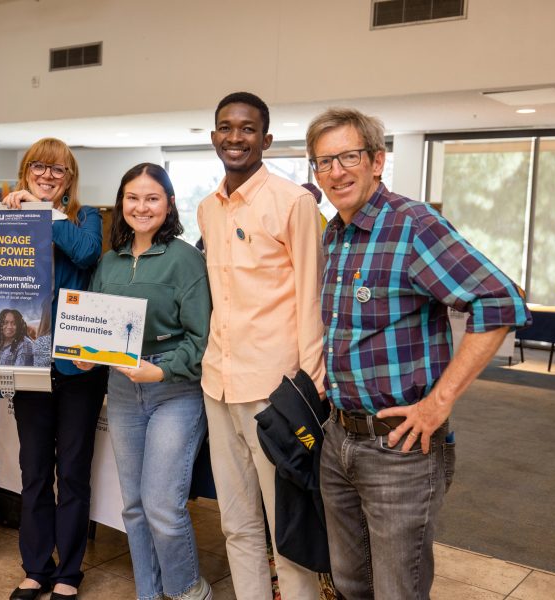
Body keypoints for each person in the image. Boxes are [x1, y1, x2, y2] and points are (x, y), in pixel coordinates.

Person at [305, 106, 532, 600]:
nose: (335, 172)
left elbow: (499, 301)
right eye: (323, 162)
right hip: (339, 438)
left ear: (377, 161)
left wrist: (439, 402)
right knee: (348, 583)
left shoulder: (412, 225)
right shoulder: (335, 233)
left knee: (398, 591)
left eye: (347, 156)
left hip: (400, 451)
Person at [0, 138, 106, 600]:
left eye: (58, 170)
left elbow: (86, 255)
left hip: (77, 367)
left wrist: (46, 213)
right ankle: (36, 567)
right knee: (34, 469)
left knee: (75, 473)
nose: (47, 175)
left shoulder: (88, 218)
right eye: (38, 167)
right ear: (24, 171)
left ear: (70, 178)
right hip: (26, 366)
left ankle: (70, 572)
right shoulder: (5, 219)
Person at [196, 91, 326, 600]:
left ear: (266, 139)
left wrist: (312, 391)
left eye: (247, 129)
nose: (235, 137)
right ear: (214, 138)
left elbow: (311, 299)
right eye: (226, 127)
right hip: (218, 385)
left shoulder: (294, 202)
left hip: (276, 393)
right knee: (237, 523)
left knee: (288, 530)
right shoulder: (208, 209)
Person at [78, 163, 212, 600]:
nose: (141, 207)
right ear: (121, 204)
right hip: (121, 390)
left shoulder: (185, 258)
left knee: (162, 507)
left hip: (174, 391)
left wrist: (163, 369)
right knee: (133, 508)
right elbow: (98, 327)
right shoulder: (109, 262)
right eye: (132, 198)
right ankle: (148, 594)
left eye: (152, 198)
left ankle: (189, 591)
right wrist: (86, 356)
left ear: (169, 204)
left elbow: (202, 337)